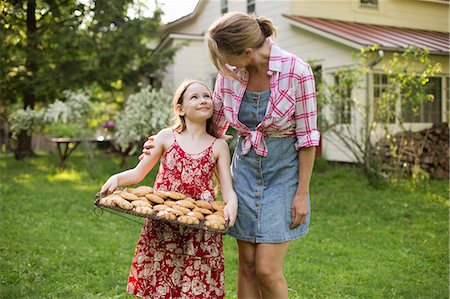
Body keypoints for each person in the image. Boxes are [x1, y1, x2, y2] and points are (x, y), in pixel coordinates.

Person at [141, 12, 320, 299]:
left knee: (266, 269)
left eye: (225, 57)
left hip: (284, 173)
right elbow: (213, 126)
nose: (224, 65)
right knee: (247, 265)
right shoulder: (229, 76)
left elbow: (308, 138)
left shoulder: (297, 71)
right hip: (245, 172)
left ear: (246, 52)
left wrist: (302, 194)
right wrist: (170, 139)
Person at [101, 80, 238, 299]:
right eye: (194, 97)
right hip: (163, 226)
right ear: (180, 108)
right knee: (160, 284)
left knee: (196, 288)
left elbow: (227, 189)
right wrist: (116, 178)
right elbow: (138, 173)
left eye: (206, 96)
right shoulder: (166, 137)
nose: (203, 100)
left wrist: (232, 205)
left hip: (200, 231)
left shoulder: (218, 145)